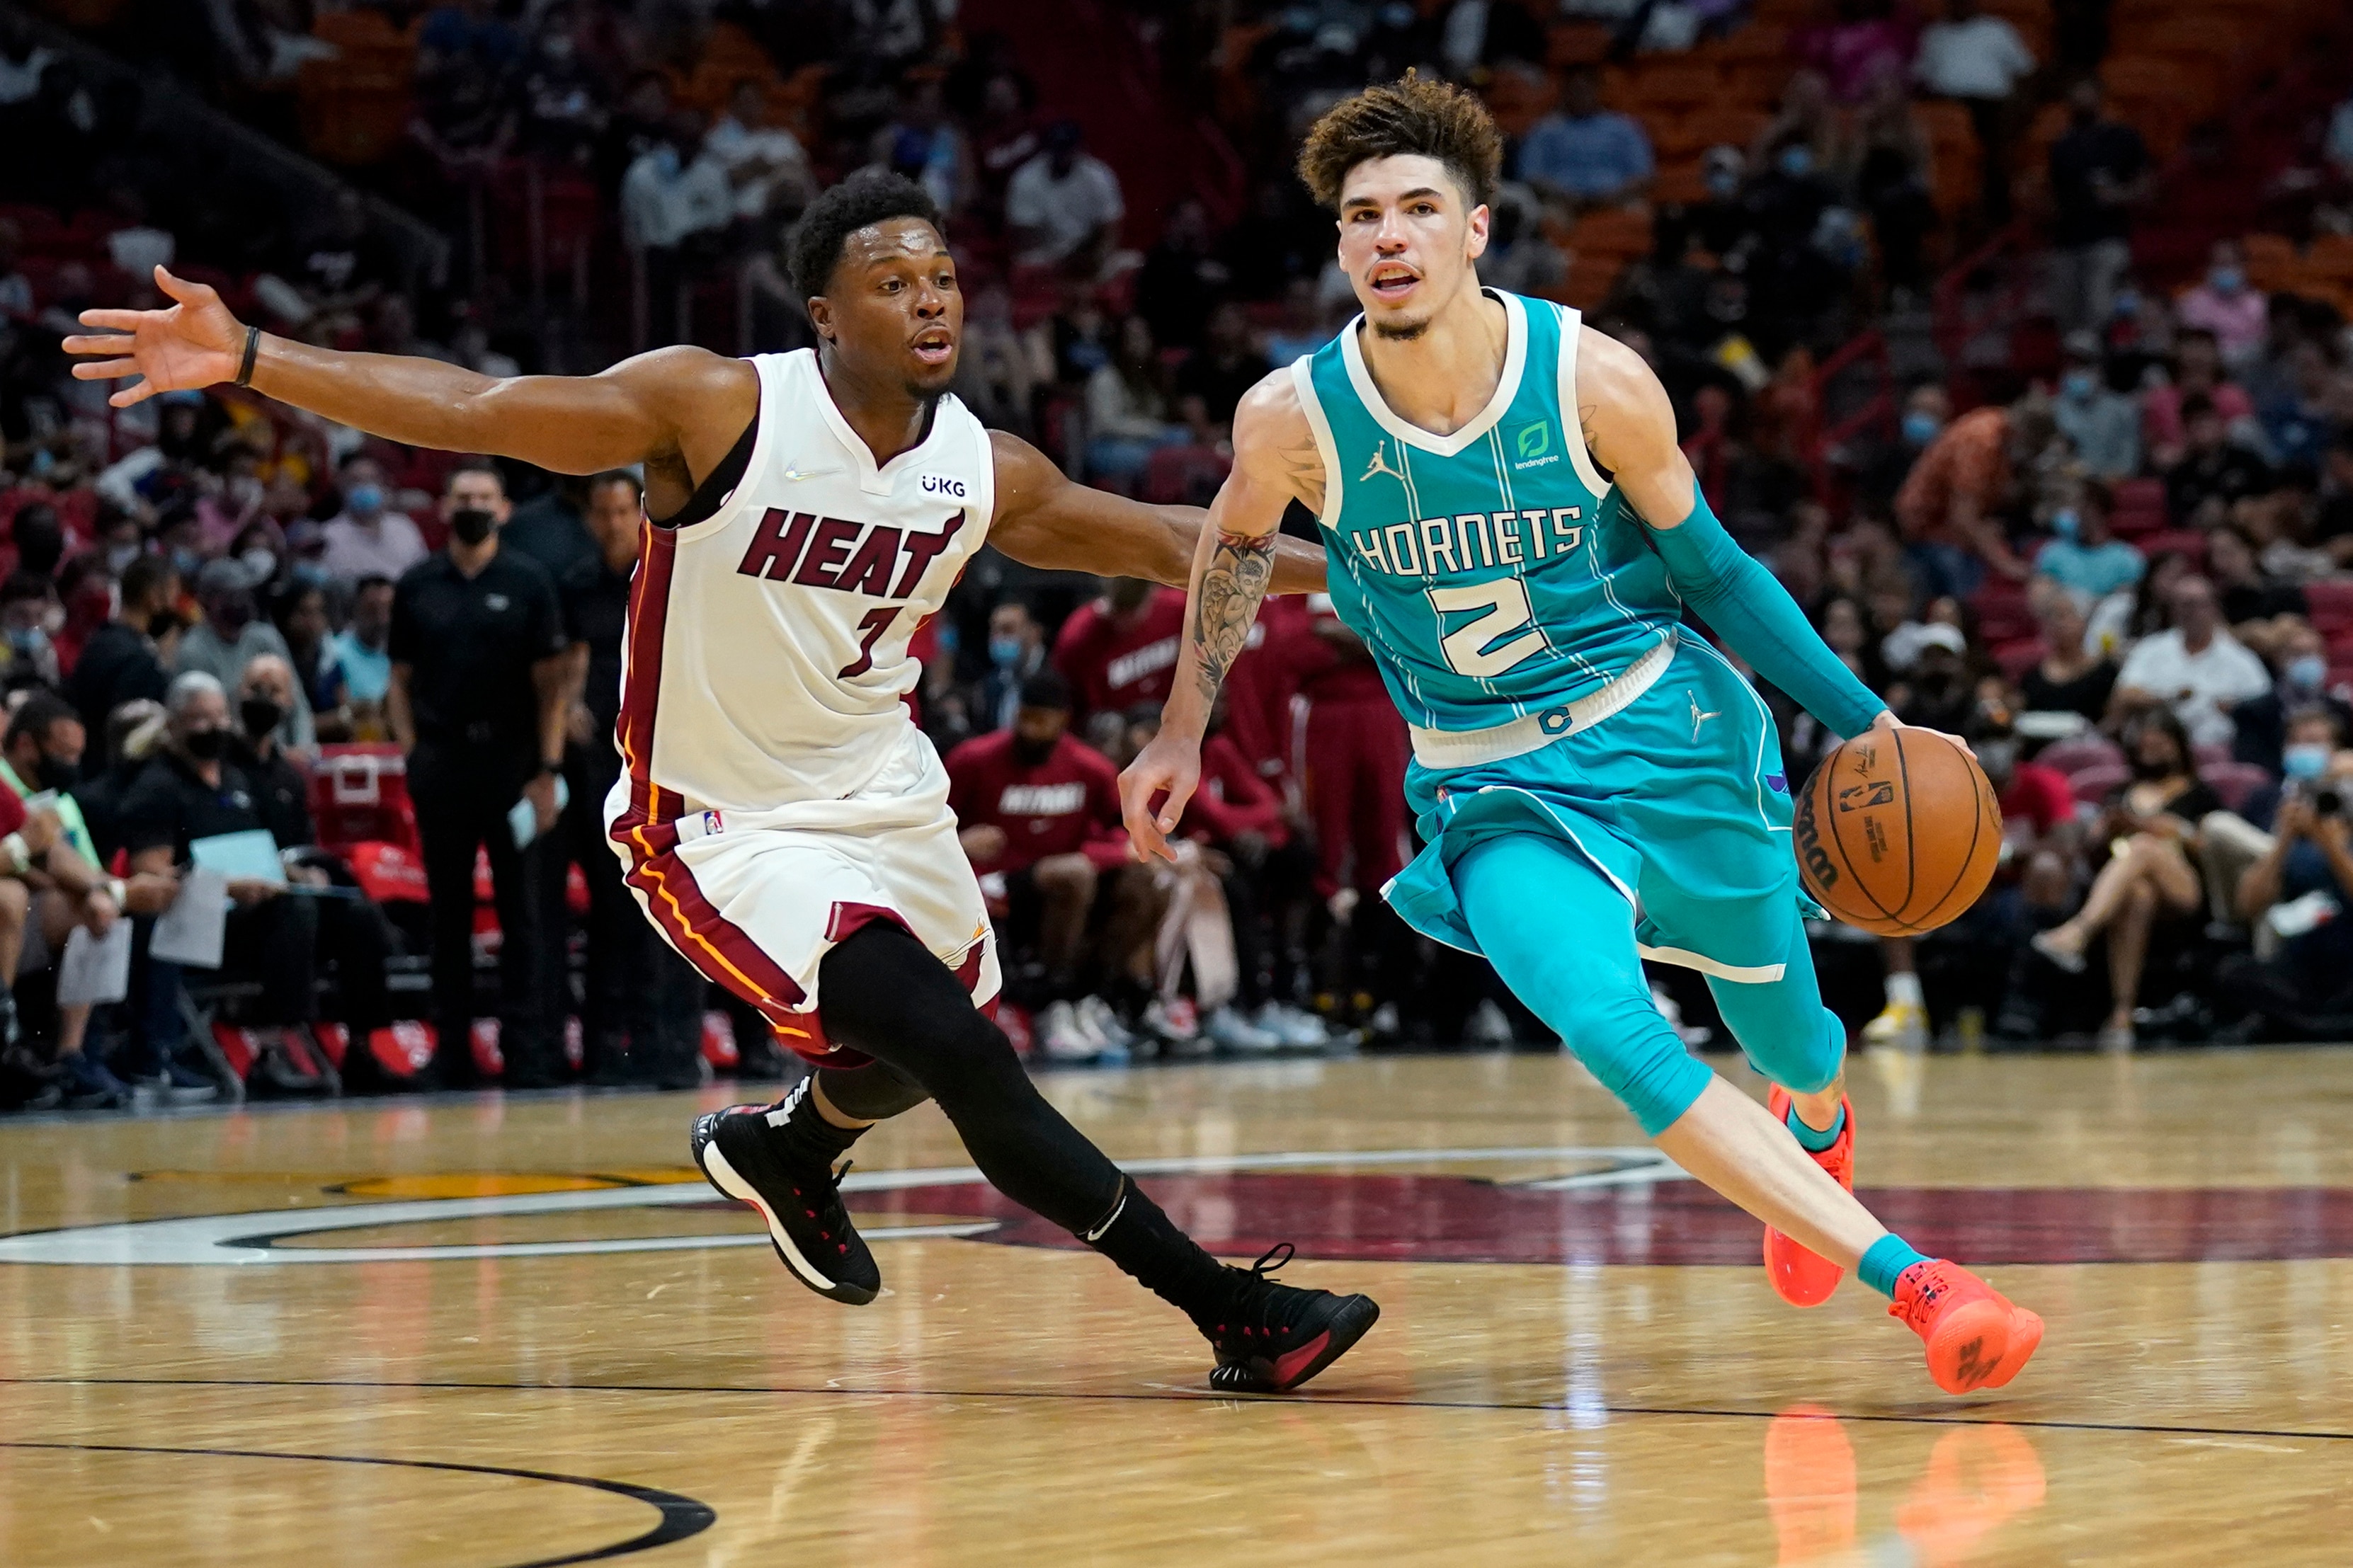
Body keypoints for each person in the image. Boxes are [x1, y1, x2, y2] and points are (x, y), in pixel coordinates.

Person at [69, 170, 1374, 1395]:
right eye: (892, 281)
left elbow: (1164, 542)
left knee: (921, 1055)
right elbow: (474, 407)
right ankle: (1230, 1316)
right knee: (967, 1051)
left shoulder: (982, 465)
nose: (930, 300)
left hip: (886, 798)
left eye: (942, 278)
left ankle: (788, 1148)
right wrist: (249, 356)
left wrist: (1377, 573)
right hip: (718, 821)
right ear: (823, 314)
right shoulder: (712, 409)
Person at [1118, 74, 2040, 1396]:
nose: (1388, 236)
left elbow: (1716, 575)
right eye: (1362, 215)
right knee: (1614, 1032)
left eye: (1416, 210)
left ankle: (1815, 1120)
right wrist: (1180, 736)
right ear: (1337, 245)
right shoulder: (1289, 421)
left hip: (1664, 738)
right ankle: (1920, 1286)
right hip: (1486, 785)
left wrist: (1868, 719)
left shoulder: (1595, 380)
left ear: (1475, 230)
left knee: (1788, 1042)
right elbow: (1229, 558)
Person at [384, 460, 571, 1089]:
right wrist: (412, 752)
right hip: (443, 764)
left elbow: (553, 686)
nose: (472, 505)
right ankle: (452, 1052)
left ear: (504, 508)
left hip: (512, 765)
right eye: (462, 495)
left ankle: (527, 1051)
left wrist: (546, 768)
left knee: (523, 914)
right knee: (448, 917)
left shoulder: (528, 581)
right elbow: (398, 682)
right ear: (442, 507)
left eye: (484, 496)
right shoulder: (415, 584)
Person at [552, 469, 707, 1089]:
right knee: (610, 914)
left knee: (674, 908)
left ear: (641, 515)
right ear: (591, 519)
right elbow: (561, 667)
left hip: (668, 768)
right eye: (605, 512)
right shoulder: (573, 587)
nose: (615, 523)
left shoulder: (674, 579)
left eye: (625, 511)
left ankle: (673, 1051)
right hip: (596, 767)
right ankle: (604, 1054)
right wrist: (566, 707)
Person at [122, 674, 336, 1096]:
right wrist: (226, 887)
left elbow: (259, 851)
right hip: (198, 924)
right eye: (199, 719)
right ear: (174, 725)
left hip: (252, 914)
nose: (214, 728)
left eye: (220, 716)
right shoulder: (157, 787)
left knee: (350, 914)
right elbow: (150, 876)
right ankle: (277, 1038)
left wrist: (291, 874)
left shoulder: (237, 780)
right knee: (294, 915)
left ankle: (365, 1040)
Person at [946, 669, 1158, 1060]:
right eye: (1025, 717)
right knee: (1074, 875)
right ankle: (1051, 1001)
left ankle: (1092, 996)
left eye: (1042, 721)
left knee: (1147, 877)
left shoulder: (1091, 769)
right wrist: (960, 843)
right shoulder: (973, 761)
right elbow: (926, 828)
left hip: (1063, 880)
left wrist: (1108, 854)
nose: (1031, 729)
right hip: (997, 882)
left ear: (1063, 721)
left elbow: (1125, 834)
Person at [2030, 709, 2219, 1051]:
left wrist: (2151, 827)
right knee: (2138, 894)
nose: (2153, 752)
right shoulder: (2120, 793)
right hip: (2129, 885)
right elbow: (2093, 851)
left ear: (2179, 746)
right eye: (2146, 745)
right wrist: (2106, 829)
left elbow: (2209, 845)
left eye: (2161, 744)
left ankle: (2080, 930)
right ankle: (2121, 1015)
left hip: (2185, 887)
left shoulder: (2200, 793)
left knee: (2145, 846)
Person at [2112, 575, 2272, 749]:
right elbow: (2124, 694)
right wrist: (2167, 698)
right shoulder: (2150, 649)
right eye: (2185, 605)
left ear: (2214, 607)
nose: (2192, 612)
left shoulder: (2241, 659)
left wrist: (2236, 709)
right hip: (2160, 750)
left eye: (2199, 604)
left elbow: (2265, 708)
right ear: (2173, 609)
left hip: (2221, 750)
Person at [1912, 0, 2034, 225]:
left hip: (1990, 106)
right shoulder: (1934, 35)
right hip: (1946, 105)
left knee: (1994, 157)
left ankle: (1998, 219)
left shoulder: (1997, 29)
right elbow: (1921, 77)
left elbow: (2024, 72)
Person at [174, 558, 314, 752]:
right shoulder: (194, 650)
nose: (240, 602)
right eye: (231, 595)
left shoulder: (266, 638)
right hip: (230, 757)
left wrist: (304, 749)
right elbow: (210, 721)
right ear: (206, 602)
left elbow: (297, 705)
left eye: (245, 594)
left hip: (283, 756)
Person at [2045, 78, 2150, 336]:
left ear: (2099, 95)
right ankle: (2076, 370)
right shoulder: (2062, 146)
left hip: (2108, 237)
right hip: (2067, 239)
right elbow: (2054, 194)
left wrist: (2119, 195)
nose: (2080, 98)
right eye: (2074, 93)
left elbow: (2146, 184)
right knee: (2067, 315)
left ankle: (2104, 367)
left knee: (2101, 309)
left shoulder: (2122, 138)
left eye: (2085, 91)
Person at [67, 553, 176, 757]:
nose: (175, 606)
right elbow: (135, 741)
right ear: (153, 596)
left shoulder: (98, 641)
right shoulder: (138, 662)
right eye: (173, 594)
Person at [1518, 66, 1653, 212]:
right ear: (1565, 93)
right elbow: (1531, 176)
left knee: (1639, 212)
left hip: (1617, 200)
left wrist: (1615, 196)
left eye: (1585, 90)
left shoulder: (1623, 127)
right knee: (1546, 216)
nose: (1581, 96)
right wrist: (1563, 196)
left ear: (1597, 91)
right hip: (1561, 202)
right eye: (1575, 90)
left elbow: (1644, 175)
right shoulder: (1546, 130)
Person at [1005, 120, 1124, 273]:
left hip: (1088, 252)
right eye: (1059, 148)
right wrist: (1062, 260)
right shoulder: (1026, 178)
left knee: (1131, 262)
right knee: (1027, 264)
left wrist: (1095, 255)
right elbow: (1024, 232)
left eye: (1068, 148)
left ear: (1079, 148)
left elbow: (1111, 225)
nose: (1063, 154)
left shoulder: (1098, 175)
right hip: (1047, 253)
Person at [321, 455, 429, 584]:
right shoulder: (329, 536)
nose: (364, 487)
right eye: (356, 481)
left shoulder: (404, 527)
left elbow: (424, 573)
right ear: (342, 486)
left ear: (382, 484)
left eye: (371, 480)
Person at [2017, 583, 2116, 722]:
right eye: (2051, 617)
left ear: (2084, 621)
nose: (2058, 624)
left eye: (2065, 616)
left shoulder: (2106, 672)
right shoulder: (2032, 677)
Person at [2033, 479, 2141, 605]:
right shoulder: (2052, 554)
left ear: (2097, 510)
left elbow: (2127, 605)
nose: (2073, 515)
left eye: (2079, 506)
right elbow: (2040, 598)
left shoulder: (2127, 559)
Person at [2051, 332, 2138, 479]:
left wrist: (2107, 481)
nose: (2076, 371)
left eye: (2083, 364)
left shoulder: (2123, 410)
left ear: (2099, 367)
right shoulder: (2054, 409)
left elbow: (2128, 464)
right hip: (2067, 487)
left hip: (2110, 491)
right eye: (2071, 365)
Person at [2173, 240, 2268, 370]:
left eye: (2230, 264)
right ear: (2208, 267)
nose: (2225, 269)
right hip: (2205, 370)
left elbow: (2262, 345)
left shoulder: (2259, 304)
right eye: (2219, 264)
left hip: (2251, 369)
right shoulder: (2192, 303)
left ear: (2243, 266)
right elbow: (2190, 344)